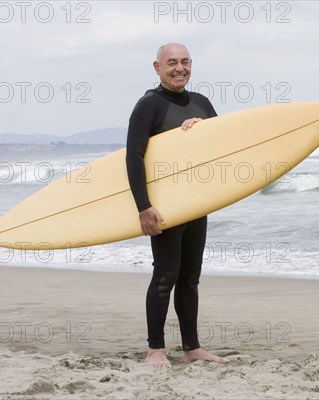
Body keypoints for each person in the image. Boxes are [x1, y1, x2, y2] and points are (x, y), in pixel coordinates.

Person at [126, 43, 229, 368]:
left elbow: (222, 146)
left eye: (185, 62)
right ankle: (155, 349)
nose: (179, 68)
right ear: (157, 67)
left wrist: (198, 130)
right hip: (166, 205)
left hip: (196, 202)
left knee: (190, 277)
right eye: (172, 63)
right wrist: (143, 206)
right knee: (166, 273)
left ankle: (191, 348)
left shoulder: (202, 103)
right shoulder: (149, 105)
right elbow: (134, 157)